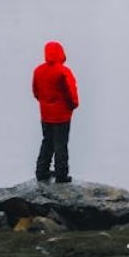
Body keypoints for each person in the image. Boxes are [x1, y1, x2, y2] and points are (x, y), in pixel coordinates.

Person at [33, 39, 79, 184]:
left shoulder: (38, 70)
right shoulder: (63, 71)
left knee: (47, 142)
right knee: (61, 144)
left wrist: (44, 103)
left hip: (45, 114)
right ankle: (61, 175)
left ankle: (41, 171)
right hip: (61, 115)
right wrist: (73, 105)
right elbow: (71, 92)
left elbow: (35, 91)